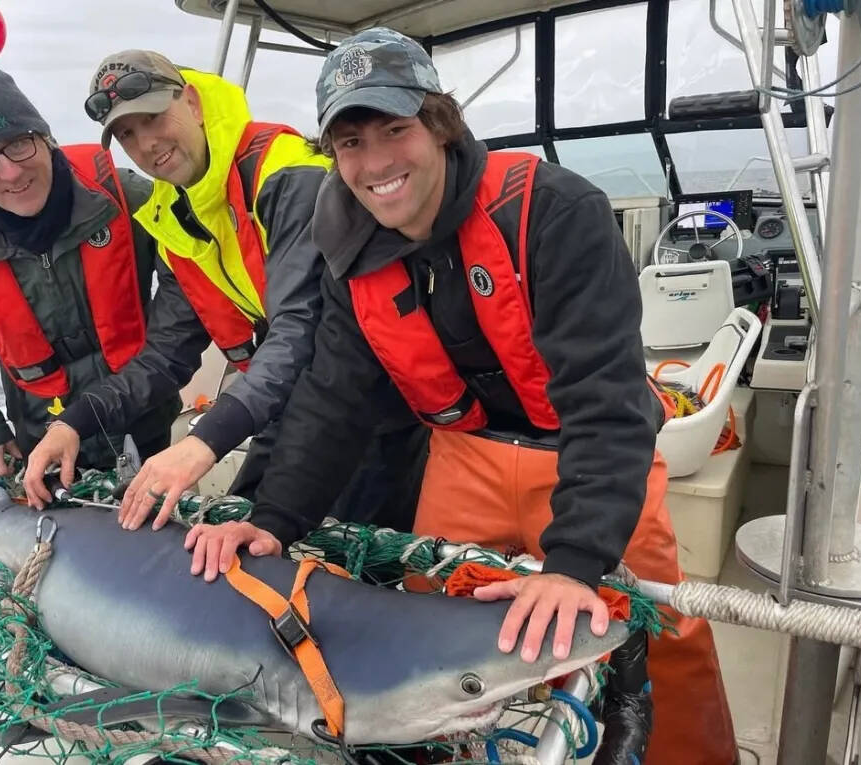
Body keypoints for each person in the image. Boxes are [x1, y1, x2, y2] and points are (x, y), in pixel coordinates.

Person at [181, 28, 738, 765]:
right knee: (428, 632)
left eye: (394, 129)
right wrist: (274, 519)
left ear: (439, 124)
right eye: (350, 142)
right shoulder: (347, 252)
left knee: (658, 631)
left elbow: (605, 402)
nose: (375, 161)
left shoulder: (555, 211)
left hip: (586, 452)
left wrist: (574, 564)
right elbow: (332, 398)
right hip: (462, 457)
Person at [22, 50, 428, 532]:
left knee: (338, 561)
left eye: (153, 117)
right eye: (128, 134)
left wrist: (204, 442)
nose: (147, 143)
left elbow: (300, 325)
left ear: (191, 102)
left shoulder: (286, 176)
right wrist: (74, 421)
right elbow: (164, 357)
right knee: (226, 543)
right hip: (289, 401)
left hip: (376, 404)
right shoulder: (175, 217)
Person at [0, 55, 176, 480]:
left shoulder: (124, 195)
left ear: (46, 138)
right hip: (40, 434)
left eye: (19, 143)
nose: (11, 171)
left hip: (143, 415)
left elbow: (189, 286)